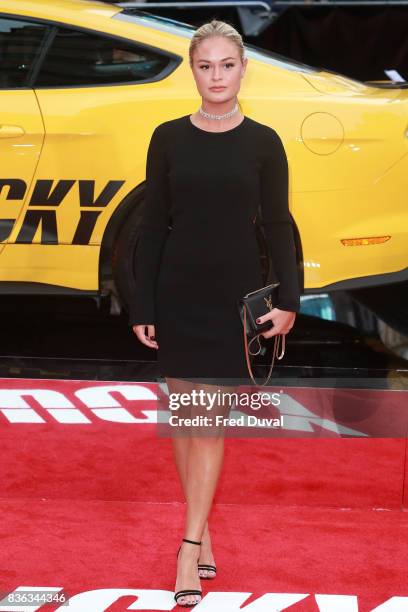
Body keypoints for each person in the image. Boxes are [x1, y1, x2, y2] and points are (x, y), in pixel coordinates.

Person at [128, 19, 301, 607]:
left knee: (206, 422)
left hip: (234, 299)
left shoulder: (264, 142)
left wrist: (290, 301)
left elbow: (279, 224)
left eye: (228, 65)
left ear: (244, 68)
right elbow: (152, 226)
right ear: (193, 69)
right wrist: (141, 302)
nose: (217, 76)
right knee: (186, 418)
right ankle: (200, 526)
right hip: (177, 294)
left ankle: (186, 543)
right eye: (206, 66)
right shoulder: (168, 137)